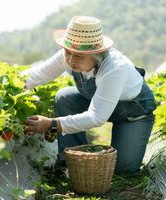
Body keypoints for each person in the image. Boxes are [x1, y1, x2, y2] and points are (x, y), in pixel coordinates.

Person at [23, 15, 156, 173]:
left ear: (96, 53)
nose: (71, 60)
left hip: (133, 114)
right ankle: (70, 160)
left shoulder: (115, 68)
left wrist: (51, 124)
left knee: (122, 170)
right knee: (65, 97)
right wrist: (8, 85)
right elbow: (36, 76)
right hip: (101, 104)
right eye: (67, 53)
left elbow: (96, 117)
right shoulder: (69, 55)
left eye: (79, 55)